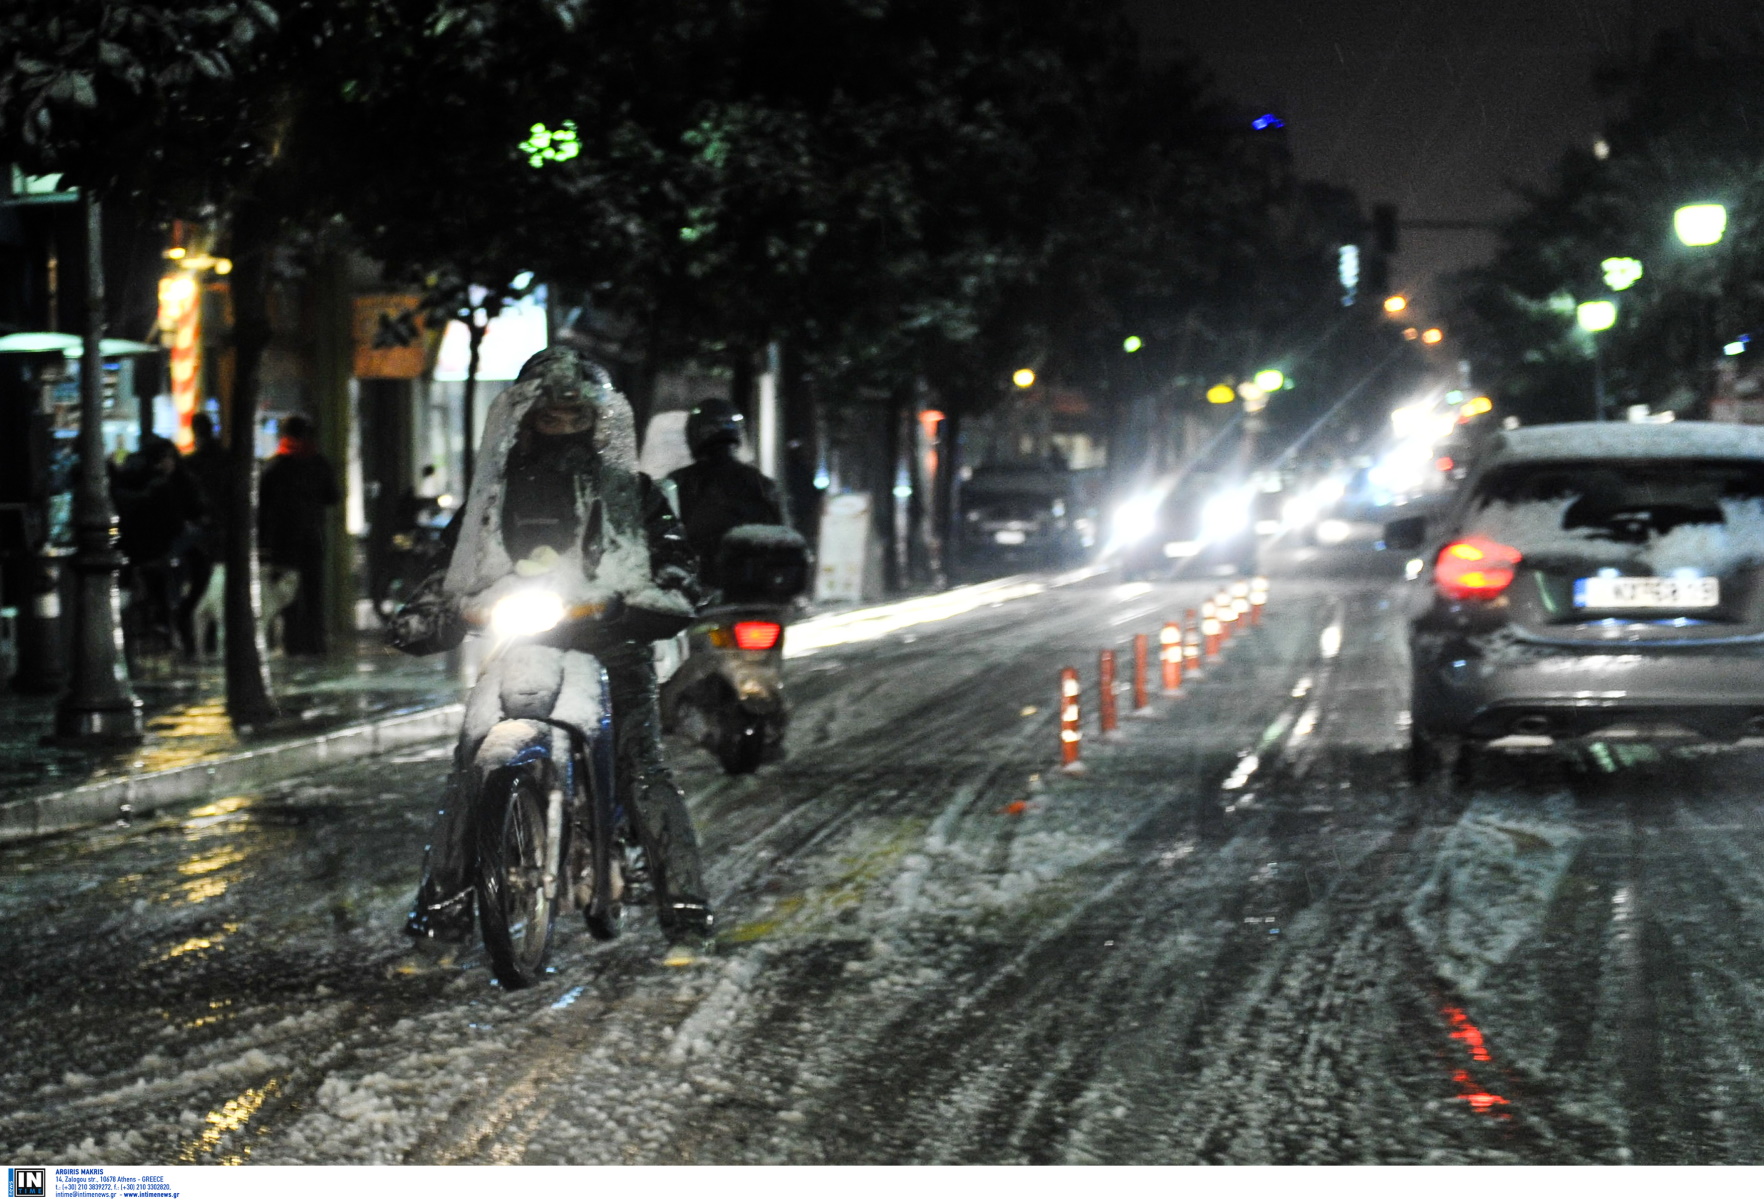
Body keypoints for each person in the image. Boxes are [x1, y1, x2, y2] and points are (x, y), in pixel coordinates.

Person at [391, 348, 714, 945]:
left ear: (597, 421)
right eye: (549, 417)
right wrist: (425, 614)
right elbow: (452, 569)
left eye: (575, 417)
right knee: (470, 762)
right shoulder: (492, 499)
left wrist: (648, 600)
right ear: (525, 418)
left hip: (613, 648)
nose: (563, 427)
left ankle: (687, 911)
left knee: (641, 766)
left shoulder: (634, 494)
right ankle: (441, 914)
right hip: (520, 645)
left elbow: (674, 569)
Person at [666, 398, 786, 592]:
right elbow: (784, 534)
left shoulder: (677, 483)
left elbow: (660, 537)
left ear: (693, 434)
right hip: (756, 591)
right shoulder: (762, 483)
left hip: (697, 592)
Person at [112, 435, 205, 653]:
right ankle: (171, 622)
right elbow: (177, 523)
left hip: (135, 550)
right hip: (160, 550)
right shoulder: (167, 485)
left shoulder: (132, 481)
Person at [258, 414, 340, 655]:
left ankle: (293, 644)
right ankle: (315, 643)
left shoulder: (274, 467)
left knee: (288, 595)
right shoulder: (319, 463)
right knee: (314, 593)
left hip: (283, 540)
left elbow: (262, 507)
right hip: (312, 537)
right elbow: (333, 496)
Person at [179, 413, 229, 655]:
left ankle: (196, 642)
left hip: (202, 534)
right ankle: (209, 640)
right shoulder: (227, 459)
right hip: (225, 533)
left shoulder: (192, 464)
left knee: (200, 586)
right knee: (215, 587)